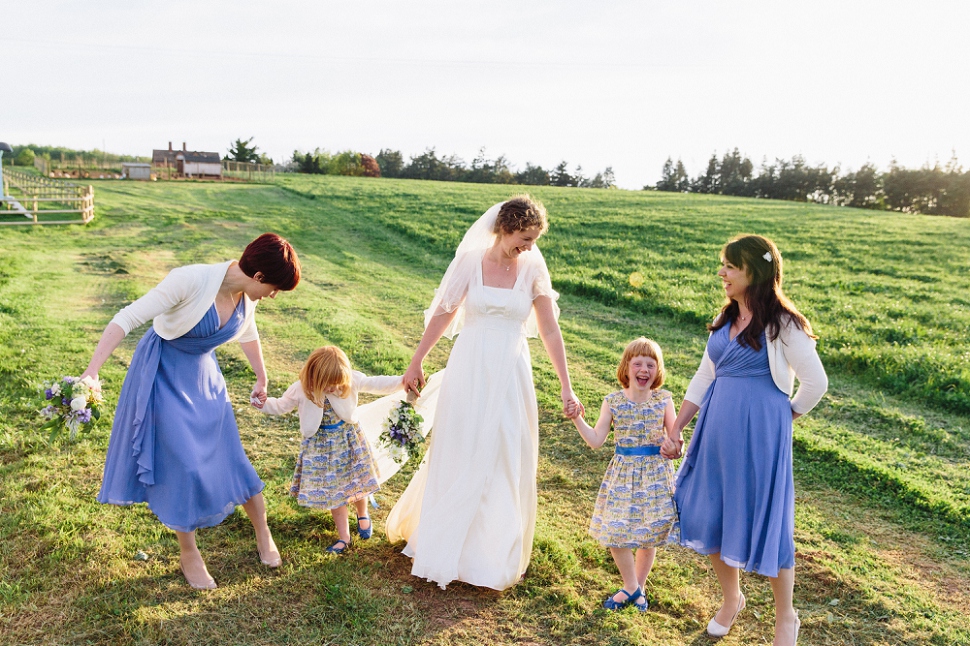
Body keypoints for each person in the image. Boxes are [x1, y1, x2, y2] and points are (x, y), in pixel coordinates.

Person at [81, 233, 301, 590]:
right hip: (163, 374)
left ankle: (263, 532)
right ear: (259, 276)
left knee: (232, 457)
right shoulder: (190, 279)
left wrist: (262, 375)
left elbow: (248, 330)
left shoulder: (247, 293)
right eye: (275, 288)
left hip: (205, 379)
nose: (273, 296)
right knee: (184, 464)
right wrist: (92, 371)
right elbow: (125, 318)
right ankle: (189, 552)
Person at [385, 195, 581, 591]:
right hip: (470, 367)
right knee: (460, 444)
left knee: (507, 450)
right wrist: (417, 360)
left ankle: (495, 551)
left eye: (534, 239)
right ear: (505, 227)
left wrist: (566, 383)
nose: (529, 246)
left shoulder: (532, 270)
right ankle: (446, 543)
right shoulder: (470, 262)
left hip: (511, 371)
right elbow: (444, 312)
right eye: (525, 237)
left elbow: (548, 330)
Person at [664, 234, 827, 645]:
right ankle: (731, 598)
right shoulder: (724, 319)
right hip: (716, 428)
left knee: (767, 520)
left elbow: (816, 383)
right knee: (706, 510)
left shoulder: (783, 323)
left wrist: (783, 416)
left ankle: (785, 618)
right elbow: (705, 377)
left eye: (729, 266)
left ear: (754, 271)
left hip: (761, 434)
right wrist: (678, 426)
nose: (722, 273)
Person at [254, 345, 405, 555]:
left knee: (357, 480)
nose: (334, 389)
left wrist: (404, 380)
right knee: (335, 492)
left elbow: (376, 383)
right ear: (314, 377)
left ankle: (363, 514)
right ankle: (344, 537)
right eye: (329, 386)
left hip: (349, 439)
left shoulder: (350, 378)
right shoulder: (301, 388)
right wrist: (262, 403)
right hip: (321, 447)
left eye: (337, 385)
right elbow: (280, 405)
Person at [568, 337, 679, 612]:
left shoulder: (664, 400)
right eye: (638, 363)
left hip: (655, 474)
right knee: (616, 531)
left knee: (648, 533)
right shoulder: (613, 401)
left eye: (650, 364)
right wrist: (577, 418)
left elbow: (676, 439)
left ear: (657, 370)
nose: (644, 369)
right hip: (624, 474)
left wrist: (673, 446)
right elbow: (595, 440)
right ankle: (632, 587)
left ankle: (637, 591)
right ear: (627, 368)